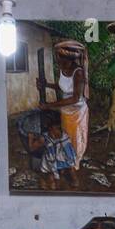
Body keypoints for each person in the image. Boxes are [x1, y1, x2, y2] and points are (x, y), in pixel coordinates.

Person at [38, 38, 89, 186]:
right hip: (66, 110)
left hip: (77, 111)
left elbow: (74, 98)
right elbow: (62, 87)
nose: (59, 64)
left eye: (62, 61)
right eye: (58, 61)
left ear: (70, 59)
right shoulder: (62, 69)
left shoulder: (78, 73)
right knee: (64, 138)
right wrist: (47, 85)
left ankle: (72, 169)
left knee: (75, 140)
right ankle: (65, 163)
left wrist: (49, 105)